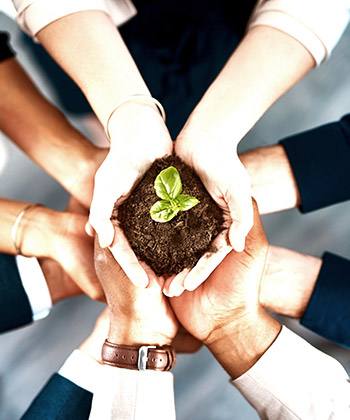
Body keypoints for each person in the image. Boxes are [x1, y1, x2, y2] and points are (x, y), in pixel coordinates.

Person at [11, 0, 350, 290]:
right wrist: (126, 117)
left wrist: (215, 133)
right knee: (97, 109)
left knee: (203, 89)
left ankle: (137, 137)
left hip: (222, 18)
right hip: (80, 35)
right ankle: (115, 140)